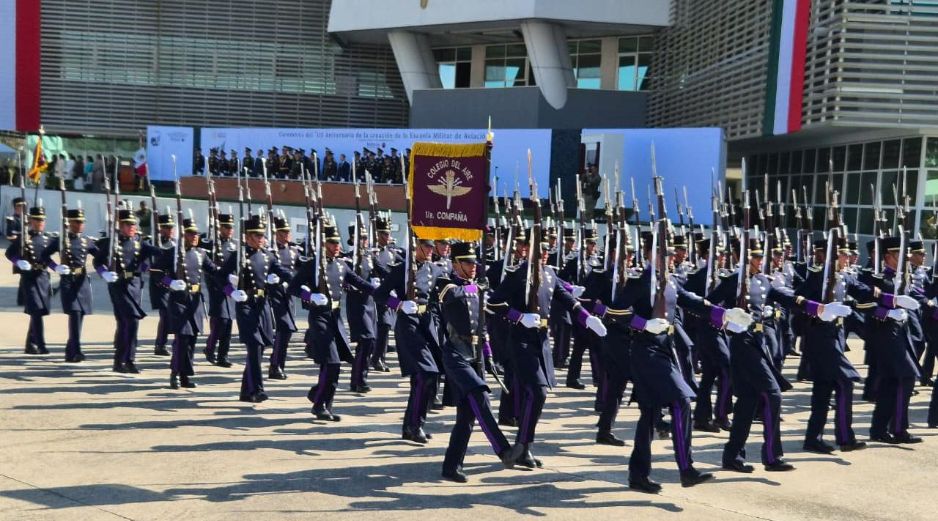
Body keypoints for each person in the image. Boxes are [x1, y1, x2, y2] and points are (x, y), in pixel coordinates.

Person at [437, 241, 526, 482]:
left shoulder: (477, 287)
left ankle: (451, 466)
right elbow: (449, 295)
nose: (473, 266)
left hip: (475, 354)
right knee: (480, 394)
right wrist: (476, 288)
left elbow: (482, 326)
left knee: (466, 416)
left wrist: (488, 356)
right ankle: (504, 450)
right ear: (455, 264)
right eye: (467, 262)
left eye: (474, 262)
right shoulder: (446, 283)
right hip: (455, 353)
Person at [290, 223, 373, 420]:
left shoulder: (341, 265)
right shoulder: (313, 265)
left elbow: (360, 283)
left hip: (335, 318)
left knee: (333, 364)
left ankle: (321, 401)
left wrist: (388, 295)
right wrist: (309, 296)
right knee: (332, 362)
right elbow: (292, 287)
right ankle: (320, 405)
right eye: (332, 243)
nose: (337, 246)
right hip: (319, 317)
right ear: (324, 244)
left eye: (337, 243)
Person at [218, 213, 293, 403]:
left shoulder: (268, 256)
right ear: (247, 237)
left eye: (262, 235)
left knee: (260, 348)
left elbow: (284, 272)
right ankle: (257, 389)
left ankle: (246, 391)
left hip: (263, 305)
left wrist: (299, 283)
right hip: (246, 305)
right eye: (257, 235)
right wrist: (231, 291)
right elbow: (218, 278)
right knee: (254, 346)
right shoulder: (238, 255)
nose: (261, 238)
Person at [92, 207, 162, 372]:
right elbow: (97, 261)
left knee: (126, 323)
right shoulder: (112, 242)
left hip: (135, 285)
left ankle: (122, 361)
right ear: (121, 225)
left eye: (133, 224)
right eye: (128, 224)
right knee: (131, 320)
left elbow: (153, 255)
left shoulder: (140, 242)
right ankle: (126, 360)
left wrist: (169, 249)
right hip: (118, 285)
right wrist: (104, 273)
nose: (132, 227)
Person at [159, 217, 219, 389]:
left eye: (196, 234)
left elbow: (214, 270)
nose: (194, 237)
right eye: (191, 233)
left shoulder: (201, 254)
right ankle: (175, 373)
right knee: (182, 338)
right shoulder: (172, 252)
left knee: (192, 339)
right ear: (183, 235)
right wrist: (170, 282)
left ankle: (185, 375)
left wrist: (230, 278)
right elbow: (156, 272)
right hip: (179, 301)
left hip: (195, 301)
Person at [45, 206, 99, 362]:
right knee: (75, 314)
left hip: (82, 281)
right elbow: (43, 255)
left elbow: (100, 255)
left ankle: (70, 351)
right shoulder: (61, 240)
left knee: (80, 315)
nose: (81, 224)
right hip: (68, 280)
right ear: (70, 223)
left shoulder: (86, 241)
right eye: (77, 222)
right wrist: (56, 267)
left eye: (82, 222)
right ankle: (76, 351)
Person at [5, 203, 56, 354]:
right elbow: (9, 253)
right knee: (36, 310)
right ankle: (41, 344)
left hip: (43, 278)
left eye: (42, 220)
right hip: (29, 278)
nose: (40, 222)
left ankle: (30, 343)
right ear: (31, 221)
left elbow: (48, 259)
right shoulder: (24, 238)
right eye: (37, 220)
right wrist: (18, 262)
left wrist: (57, 267)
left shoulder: (48, 239)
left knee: (39, 311)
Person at [268, 214, 300, 380]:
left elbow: (300, 269)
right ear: (276, 233)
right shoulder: (270, 251)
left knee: (287, 331)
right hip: (274, 293)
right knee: (284, 328)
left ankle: (277, 362)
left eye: (288, 232)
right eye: (282, 232)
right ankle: (275, 365)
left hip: (289, 293)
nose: (286, 235)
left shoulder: (294, 250)